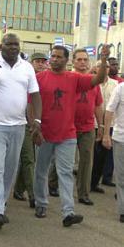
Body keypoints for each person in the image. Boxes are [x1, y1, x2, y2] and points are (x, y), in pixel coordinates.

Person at [32, 44, 109, 227]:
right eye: (53, 56)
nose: (55, 59)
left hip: (67, 134)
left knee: (65, 173)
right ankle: (41, 203)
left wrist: (104, 59)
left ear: (66, 60)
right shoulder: (39, 78)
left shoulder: (74, 78)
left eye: (59, 57)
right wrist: (34, 126)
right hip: (45, 134)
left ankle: (68, 212)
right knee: (41, 171)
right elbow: (31, 103)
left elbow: (98, 79)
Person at [0, 33, 41, 231]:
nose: (13, 47)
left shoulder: (26, 67)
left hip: (18, 126)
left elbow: (35, 95)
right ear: (1, 46)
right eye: (9, 44)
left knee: (10, 169)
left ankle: (0, 203)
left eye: (16, 44)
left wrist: (36, 120)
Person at [13, 52, 48, 208]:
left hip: (41, 122)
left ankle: (19, 189)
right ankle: (33, 195)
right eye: (37, 61)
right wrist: (32, 121)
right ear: (31, 63)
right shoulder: (25, 76)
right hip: (24, 121)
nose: (40, 64)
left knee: (31, 158)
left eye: (43, 61)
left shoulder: (47, 78)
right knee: (28, 158)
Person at [71, 49, 104, 206]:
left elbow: (98, 105)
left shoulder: (94, 81)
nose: (82, 62)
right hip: (68, 125)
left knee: (86, 161)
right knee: (62, 159)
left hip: (88, 127)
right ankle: (52, 183)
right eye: (79, 59)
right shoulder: (68, 78)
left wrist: (101, 125)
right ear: (73, 61)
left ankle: (83, 193)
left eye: (85, 59)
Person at [91, 61, 118, 193]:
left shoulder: (115, 84)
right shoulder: (92, 82)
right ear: (95, 68)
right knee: (92, 155)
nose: (105, 68)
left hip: (110, 124)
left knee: (103, 155)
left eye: (107, 66)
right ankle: (87, 181)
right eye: (101, 66)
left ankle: (97, 181)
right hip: (93, 123)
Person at [102, 82, 124, 223]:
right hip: (121, 138)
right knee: (121, 176)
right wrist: (105, 134)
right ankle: (123, 210)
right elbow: (109, 111)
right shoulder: (120, 89)